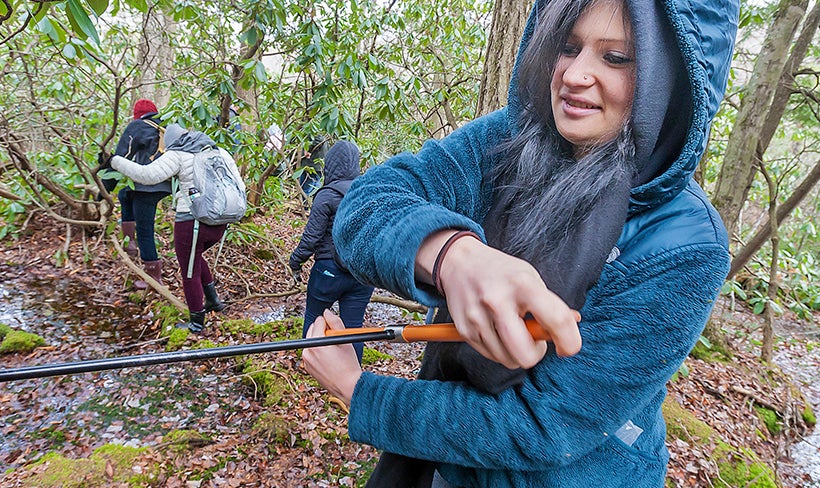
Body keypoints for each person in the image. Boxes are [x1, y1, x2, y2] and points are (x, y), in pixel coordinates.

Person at [301, 0, 739, 486]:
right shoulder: (508, 143)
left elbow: (541, 427)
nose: (575, 74)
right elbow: (371, 201)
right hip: (450, 467)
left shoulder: (686, 244)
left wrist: (358, 389)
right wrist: (452, 255)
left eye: (616, 58)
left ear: (672, 78)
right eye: (567, 47)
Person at [104, 124, 230, 332]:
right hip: (220, 219)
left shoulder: (179, 153)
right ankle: (213, 301)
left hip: (192, 220)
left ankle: (196, 323)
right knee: (195, 257)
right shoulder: (219, 152)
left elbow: (147, 175)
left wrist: (114, 161)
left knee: (188, 270)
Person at [288, 141, 374, 363]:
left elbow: (311, 238)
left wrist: (295, 262)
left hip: (329, 271)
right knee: (354, 327)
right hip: (361, 274)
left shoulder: (326, 195)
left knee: (315, 317)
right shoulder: (368, 191)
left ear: (329, 166)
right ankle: (354, 372)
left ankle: (310, 362)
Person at [100, 99, 172, 290]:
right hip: (164, 184)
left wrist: (104, 190)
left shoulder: (137, 126)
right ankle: (129, 243)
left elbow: (120, 157)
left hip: (146, 185)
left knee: (145, 229)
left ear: (137, 115)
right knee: (125, 194)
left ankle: (153, 279)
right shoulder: (167, 126)